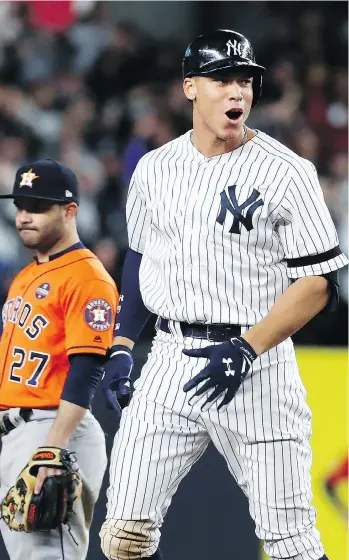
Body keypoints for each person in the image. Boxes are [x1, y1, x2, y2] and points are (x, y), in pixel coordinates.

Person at [100, 30, 348, 560]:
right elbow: (143, 258)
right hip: (169, 358)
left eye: (245, 81)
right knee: (123, 535)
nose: (237, 92)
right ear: (190, 87)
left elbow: (317, 284)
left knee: (291, 545)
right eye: (222, 80)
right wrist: (123, 341)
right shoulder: (154, 169)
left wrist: (248, 348)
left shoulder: (287, 172)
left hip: (257, 364)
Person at [0, 159, 119, 559]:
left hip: (53, 429)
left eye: (36, 207)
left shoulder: (88, 278)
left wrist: (54, 449)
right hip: (18, 430)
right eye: (20, 206)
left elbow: (87, 370)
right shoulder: (26, 275)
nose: (23, 217)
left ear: (69, 211)